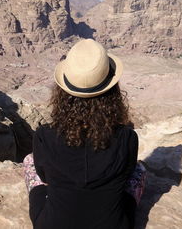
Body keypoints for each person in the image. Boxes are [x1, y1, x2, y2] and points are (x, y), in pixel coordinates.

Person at [23, 39, 146, 229]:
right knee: (140, 170)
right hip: (115, 225)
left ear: (63, 93)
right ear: (112, 91)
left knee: (30, 161)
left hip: (52, 225)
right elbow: (128, 173)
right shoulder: (127, 137)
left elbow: (44, 177)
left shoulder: (44, 136)